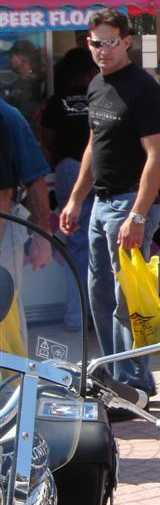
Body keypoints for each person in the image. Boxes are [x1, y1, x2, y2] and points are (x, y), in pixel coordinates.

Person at [59, 8, 160, 402]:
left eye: (109, 42)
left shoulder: (144, 88)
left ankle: (134, 384)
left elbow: (158, 155)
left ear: (126, 42)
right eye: (96, 43)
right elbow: (94, 145)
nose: (102, 50)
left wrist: (138, 214)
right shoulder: (96, 84)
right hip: (100, 203)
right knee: (99, 294)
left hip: (128, 203)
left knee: (128, 300)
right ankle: (112, 376)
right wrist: (75, 199)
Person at [40, 48, 98, 330]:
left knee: (76, 245)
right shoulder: (101, 96)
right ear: (90, 71)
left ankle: (77, 317)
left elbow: (46, 138)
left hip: (68, 170)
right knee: (104, 245)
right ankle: (102, 317)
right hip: (102, 169)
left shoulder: (55, 101)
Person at [0, 96, 52, 348]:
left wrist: (42, 236)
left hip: (5, 222)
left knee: (6, 309)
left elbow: (34, 179)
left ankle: (11, 372)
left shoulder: (8, 117)